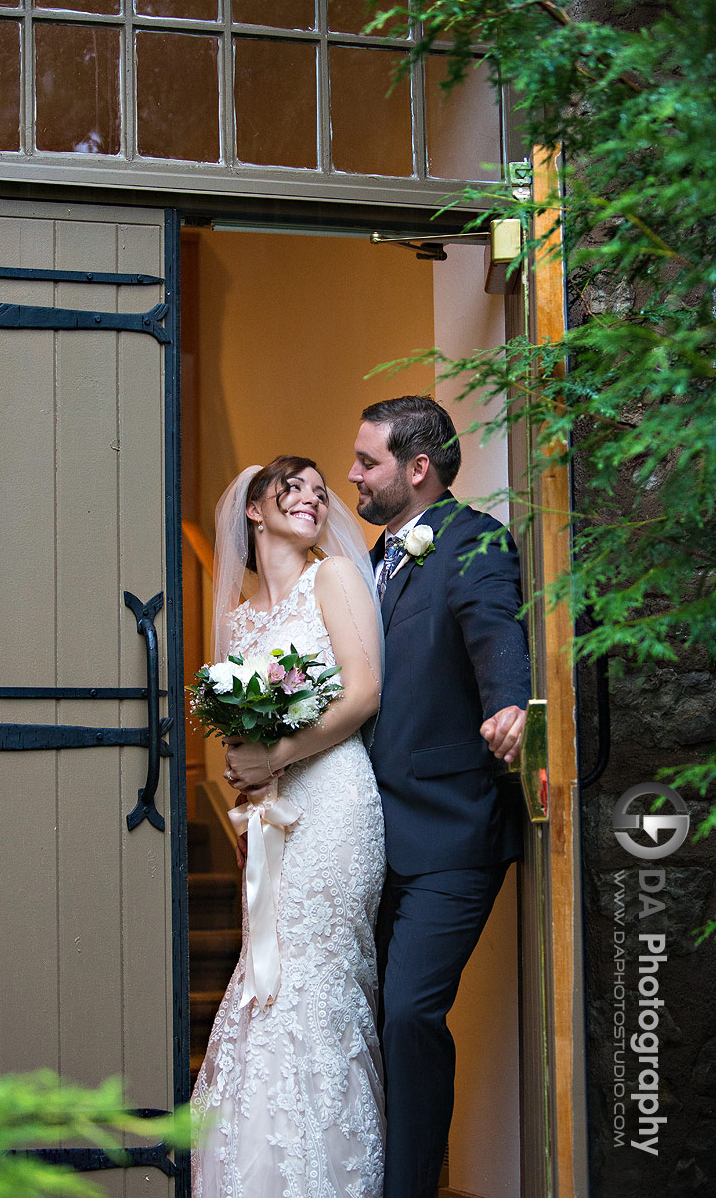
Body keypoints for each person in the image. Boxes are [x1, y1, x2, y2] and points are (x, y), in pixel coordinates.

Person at [348, 396, 531, 1198]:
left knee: (409, 1016)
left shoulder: (476, 540)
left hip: (453, 833)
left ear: (417, 469)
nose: (351, 473)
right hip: (369, 834)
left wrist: (510, 703)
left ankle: (412, 1189)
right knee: (368, 1019)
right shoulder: (369, 556)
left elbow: (493, 624)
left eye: (367, 461)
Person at [192, 456, 386, 1198]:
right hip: (272, 819)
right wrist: (244, 771)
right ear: (253, 509)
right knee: (263, 980)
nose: (310, 498)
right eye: (292, 488)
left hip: (334, 805)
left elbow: (362, 691)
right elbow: (233, 728)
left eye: (317, 490)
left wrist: (272, 755)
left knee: (315, 980)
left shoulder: (331, 577)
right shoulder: (240, 620)